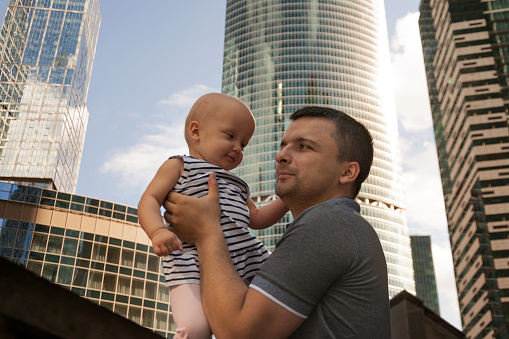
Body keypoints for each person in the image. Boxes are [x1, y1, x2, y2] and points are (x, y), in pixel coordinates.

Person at [164, 106, 391, 338]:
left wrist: (206, 233)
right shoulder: (338, 227)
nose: (280, 156)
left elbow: (240, 334)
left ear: (347, 172)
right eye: (284, 145)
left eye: (304, 146)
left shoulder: (329, 223)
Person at [138, 93, 288, 339]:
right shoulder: (179, 165)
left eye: (244, 143)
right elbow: (149, 199)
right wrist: (157, 231)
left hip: (246, 259)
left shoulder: (237, 184)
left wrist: (287, 200)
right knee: (196, 328)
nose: (238, 147)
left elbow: (258, 218)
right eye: (231, 136)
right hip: (189, 261)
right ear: (196, 132)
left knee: (270, 314)